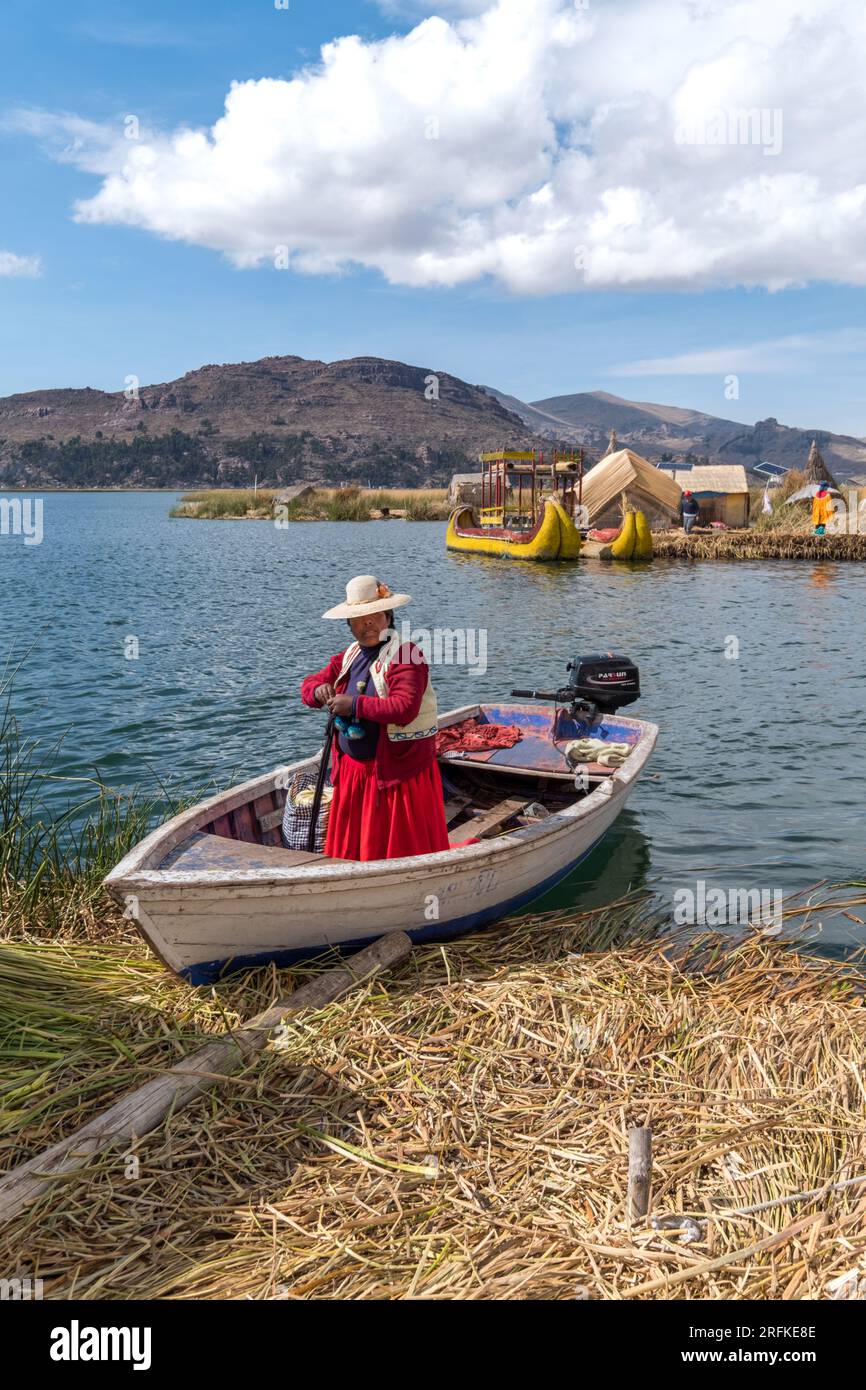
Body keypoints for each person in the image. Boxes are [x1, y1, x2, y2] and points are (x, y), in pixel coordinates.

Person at [300, 575, 450, 862]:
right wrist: (317, 690)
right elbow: (309, 685)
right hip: (355, 775)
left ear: (388, 617)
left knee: (398, 851)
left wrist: (355, 705)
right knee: (355, 850)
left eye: (373, 617)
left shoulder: (407, 655)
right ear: (349, 625)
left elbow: (404, 708)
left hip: (394, 775)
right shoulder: (350, 655)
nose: (366, 625)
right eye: (358, 619)